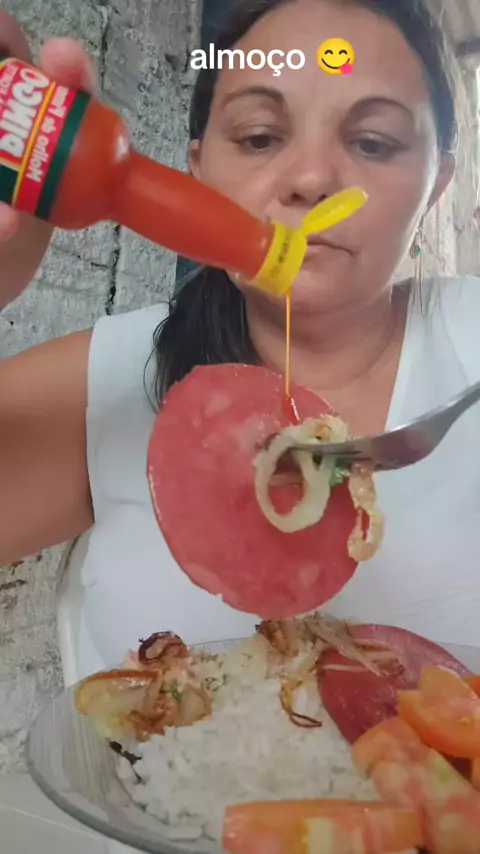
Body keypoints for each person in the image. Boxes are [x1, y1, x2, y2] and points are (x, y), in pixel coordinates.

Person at [1, 0, 480, 684]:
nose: (312, 180)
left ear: (437, 185)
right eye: (259, 137)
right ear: (197, 169)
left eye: (373, 143)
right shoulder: (109, 381)